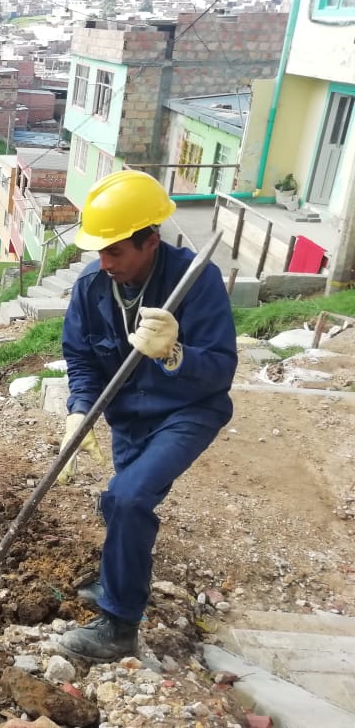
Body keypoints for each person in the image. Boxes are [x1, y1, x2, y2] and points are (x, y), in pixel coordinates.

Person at [57, 170, 237, 662]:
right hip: (128, 416)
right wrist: (79, 411)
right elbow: (82, 360)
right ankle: (119, 578)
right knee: (121, 503)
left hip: (187, 411)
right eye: (100, 250)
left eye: (116, 250)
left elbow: (220, 371)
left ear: (151, 241)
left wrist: (175, 354)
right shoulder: (93, 287)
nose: (104, 261)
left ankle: (119, 626)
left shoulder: (196, 282)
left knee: (129, 497)